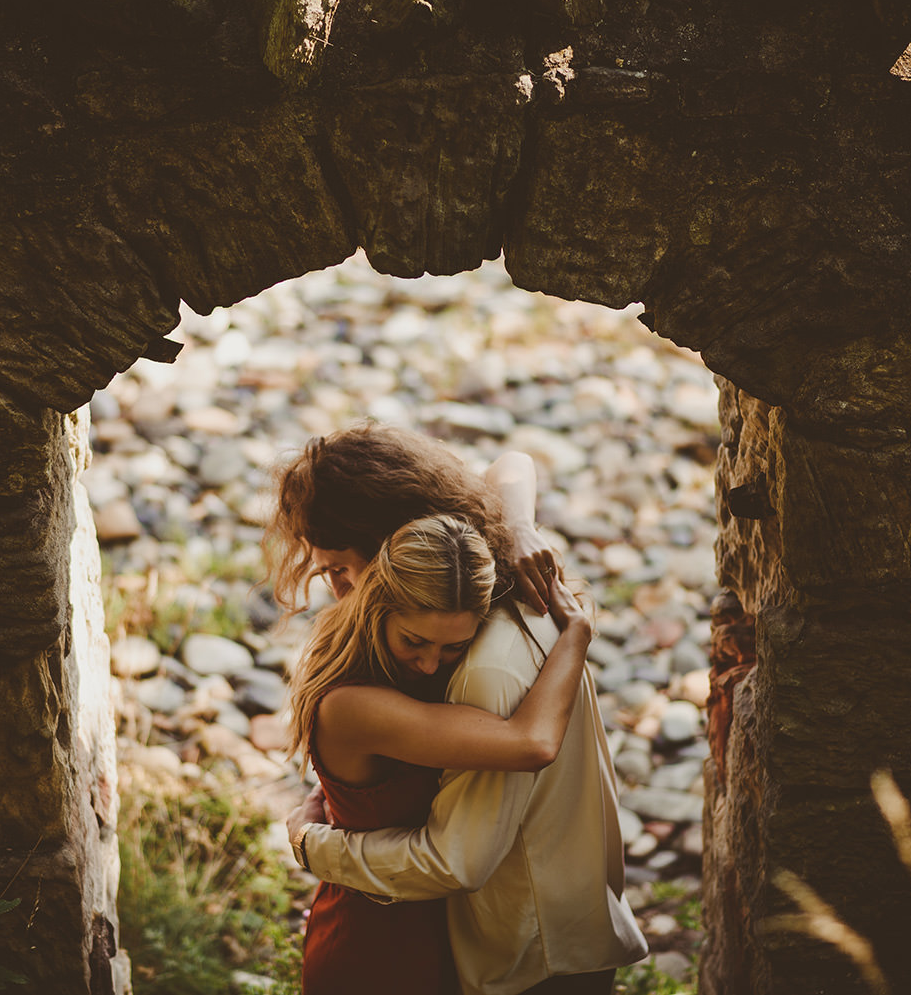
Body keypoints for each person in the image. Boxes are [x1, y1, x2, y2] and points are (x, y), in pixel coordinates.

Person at [270, 422, 647, 995]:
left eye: (343, 569)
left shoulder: (478, 664)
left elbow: (462, 851)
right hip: (431, 934)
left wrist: (309, 842)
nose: (337, 591)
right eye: (329, 573)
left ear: (396, 548)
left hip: (523, 944)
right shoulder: (510, 604)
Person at [287, 513, 596, 995]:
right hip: (372, 949)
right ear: (377, 604)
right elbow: (533, 743)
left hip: (435, 935)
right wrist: (575, 633)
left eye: (455, 647)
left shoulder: (385, 665)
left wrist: (517, 528)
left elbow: (510, 465)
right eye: (415, 641)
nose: (431, 663)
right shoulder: (353, 703)